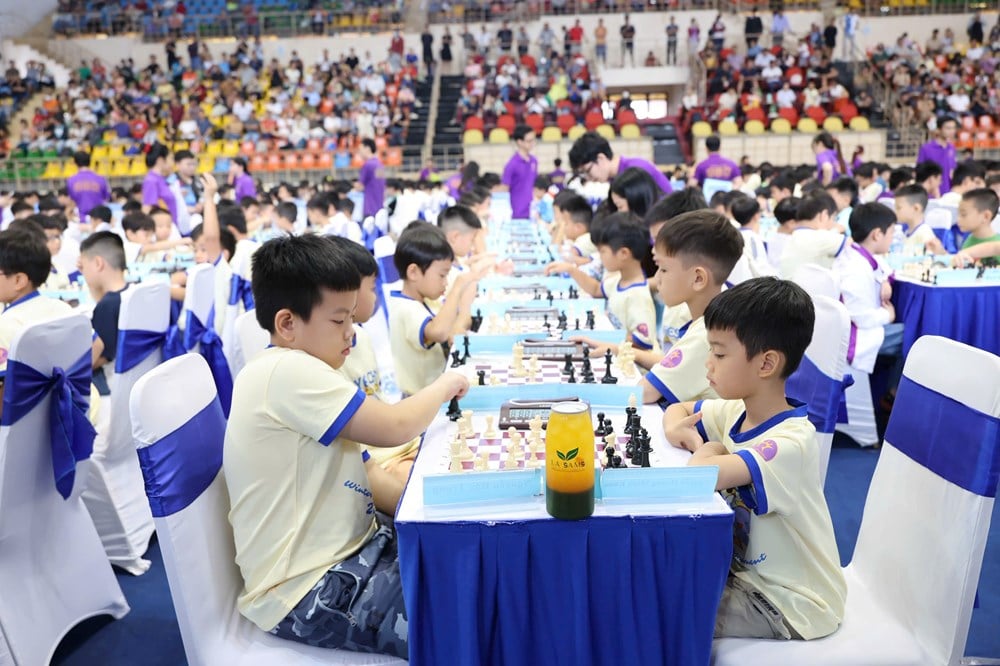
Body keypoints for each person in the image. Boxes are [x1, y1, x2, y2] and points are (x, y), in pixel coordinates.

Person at [224, 234, 469, 659]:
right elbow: (394, 426)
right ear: (287, 324)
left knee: (464, 566)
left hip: (353, 551)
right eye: (339, 321)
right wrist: (447, 383)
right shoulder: (288, 371)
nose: (351, 334)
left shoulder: (306, 368)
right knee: (461, 612)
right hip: (305, 588)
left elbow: (372, 462)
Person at [664, 277, 846, 640]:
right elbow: (680, 409)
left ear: (765, 364)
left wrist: (710, 449)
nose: (708, 366)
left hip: (790, 601)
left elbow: (698, 475)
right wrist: (676, 430)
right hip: (745, 577)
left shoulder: (789, 442)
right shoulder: (736, 410)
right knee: (658, 582)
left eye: (718, 353)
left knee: (668, 611)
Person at [640, 210, 743, 405]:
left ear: (698, 278)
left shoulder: (708, 334)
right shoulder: (714, 319)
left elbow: (643, 393)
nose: (657, 279)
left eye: (663, 269)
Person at [389, 223, 482, 397]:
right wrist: (458, 287)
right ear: (414, 272)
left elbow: (446, 331)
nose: (445, 282)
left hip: (430, 394)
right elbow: (438, 332)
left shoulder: (422, 302)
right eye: (442, 275)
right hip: (417, 401)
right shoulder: (405, 308)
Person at [547, 213, 659, 353]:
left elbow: (643, 341)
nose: (600, 257)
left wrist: (605, 338)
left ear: (624, 253)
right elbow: (595, 289)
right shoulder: (618, 281)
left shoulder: (638, 296)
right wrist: (571, 270)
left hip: (633, 368)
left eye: (603, 251)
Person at [0, 227, 73, 405]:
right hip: (69, 413)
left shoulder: (7, 324)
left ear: (19, 280)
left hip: (20, 424)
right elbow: (98, 344)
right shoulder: (62, 308)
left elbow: (3, 392)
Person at [836, 203, 903, 379]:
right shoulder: (856, 270)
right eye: (891, 233)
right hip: (856, 337)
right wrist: (888, 316)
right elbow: (862, 318)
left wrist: (884, 280)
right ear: (877, 234)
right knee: (913, 337)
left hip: (856, 328)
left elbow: (883, 267)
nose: (892, 239)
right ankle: (892, 392)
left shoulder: (856, 254)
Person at [77, 231, 128, 396]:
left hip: (108, 386)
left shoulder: (107, 306)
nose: (82, 273)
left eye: (83, 267)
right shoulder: (131, 294)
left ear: (98, 263)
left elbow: (97, 359)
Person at [569, 131, 672, 195]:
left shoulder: (635, 171)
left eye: (587, 171)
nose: (588, 178)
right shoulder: (615, 178)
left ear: (600, 158)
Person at [779, 192, 847, 277]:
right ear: (824, 215)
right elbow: (853, 246)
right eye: (834, 218)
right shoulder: (818, 237)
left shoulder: (792, 237)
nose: (833, 223)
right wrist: (838, 229)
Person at [893, 184, 945, 255]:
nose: (895, 211)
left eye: (898, 208)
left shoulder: (925, 233)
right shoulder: (906, 233)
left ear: (916, 208)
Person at [501, 124, 538, 221]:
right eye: (529, 141)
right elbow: (505, 188)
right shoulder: (511, 165)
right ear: (520, 142)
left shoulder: (534, 161)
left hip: (532, 209)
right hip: (517, 211)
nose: (532, 143)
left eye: (533, 140)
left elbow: (534, 184)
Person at [956, 188, 1000, 261]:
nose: (958, 219)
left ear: (986, 216)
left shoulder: (997, 241)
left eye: (963, 214)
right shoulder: (967, 241)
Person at [916, 117, 958, 194]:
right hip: (930, 193)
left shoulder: (951, 148)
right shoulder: (926, 148)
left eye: (953, 128)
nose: (952, 131)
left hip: (948, 191)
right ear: (939, 129)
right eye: (948, 128)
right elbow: (919, 171)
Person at [65, 150, 110, 220]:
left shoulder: (71, 180)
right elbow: (106, 199)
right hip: (99, 220)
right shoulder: (101, 178)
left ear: (75, 163)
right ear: (89, 161)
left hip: (81, 220)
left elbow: (72, 202)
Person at [141, 143, 178, 223]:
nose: (173, 163)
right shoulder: (151, 180)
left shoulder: (160, 179)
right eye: (171, 159)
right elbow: (147, 208)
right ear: (160, 160)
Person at [356, 138, 385, 219]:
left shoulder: (367, 165)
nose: (359, 152)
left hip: (370, 207)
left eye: (360, 149)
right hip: (379, 206)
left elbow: (360, 186)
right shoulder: (379, 164)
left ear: (367, 148)